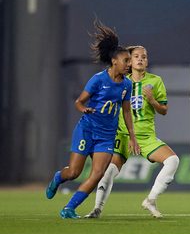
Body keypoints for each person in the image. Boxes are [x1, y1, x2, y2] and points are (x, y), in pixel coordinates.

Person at [46, 20, 140, 219]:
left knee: (98, 174)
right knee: (73, 173)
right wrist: (85, 109)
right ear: (114, 61)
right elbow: (79, 102)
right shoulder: (98, 79)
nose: (129, 64)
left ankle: (68, 209)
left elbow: (126, 112)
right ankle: (57, 178)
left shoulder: (127, 85)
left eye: (130, 61)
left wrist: (132, 136)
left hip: (106, 136)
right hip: (87, 129)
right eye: (126, 61)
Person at [85, 45, 180, 219]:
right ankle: (97, 209)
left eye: (144, 56)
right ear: (129, 60)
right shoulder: (120, 81)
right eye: (136, 56)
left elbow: (164, 110)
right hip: (122, 134)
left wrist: (152, 99)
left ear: (147, 61)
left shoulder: (155, 81)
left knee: (173, 160)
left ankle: (151, 200)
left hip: (145, 136)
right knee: (110, 170)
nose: (140, 59)